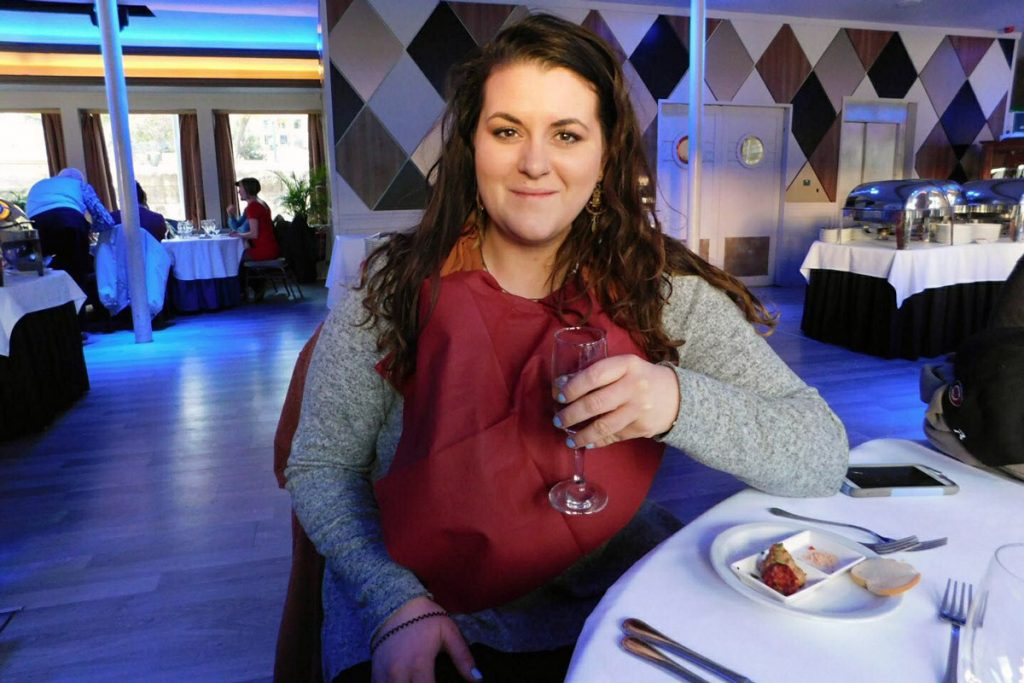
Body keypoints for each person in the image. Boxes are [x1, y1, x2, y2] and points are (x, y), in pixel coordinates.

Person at [285, 14, 848, 683]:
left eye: (567, 134)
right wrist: (393, 601)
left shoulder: (661, 294)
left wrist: (678, 400)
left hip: (616, 600)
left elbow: (822, 451)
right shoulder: (393, 290)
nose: (534, 162)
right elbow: (320, 465)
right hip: (422, 607)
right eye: (506, 131)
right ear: (471, 144)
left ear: (604, 154)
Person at [25, 167, 115, 292]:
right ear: (80, 180)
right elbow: (105, 219)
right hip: (70, 222)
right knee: (77, 271)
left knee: (42, 271)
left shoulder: (39, 185)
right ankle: (78, 307)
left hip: (37, 226)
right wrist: (92, 229)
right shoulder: (80, 185)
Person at [227, 177, 279, 300]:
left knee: (235, 259)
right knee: (237, 257)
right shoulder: (258, 204)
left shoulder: (253, 207)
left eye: (241, 189)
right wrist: (231, 215)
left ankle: (245, 291)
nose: (239, 191)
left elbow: (253, 233)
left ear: (248, 190)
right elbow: (238, 226)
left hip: (264, 249)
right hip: (270, 247)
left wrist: (238, 235)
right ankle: (253, 287)